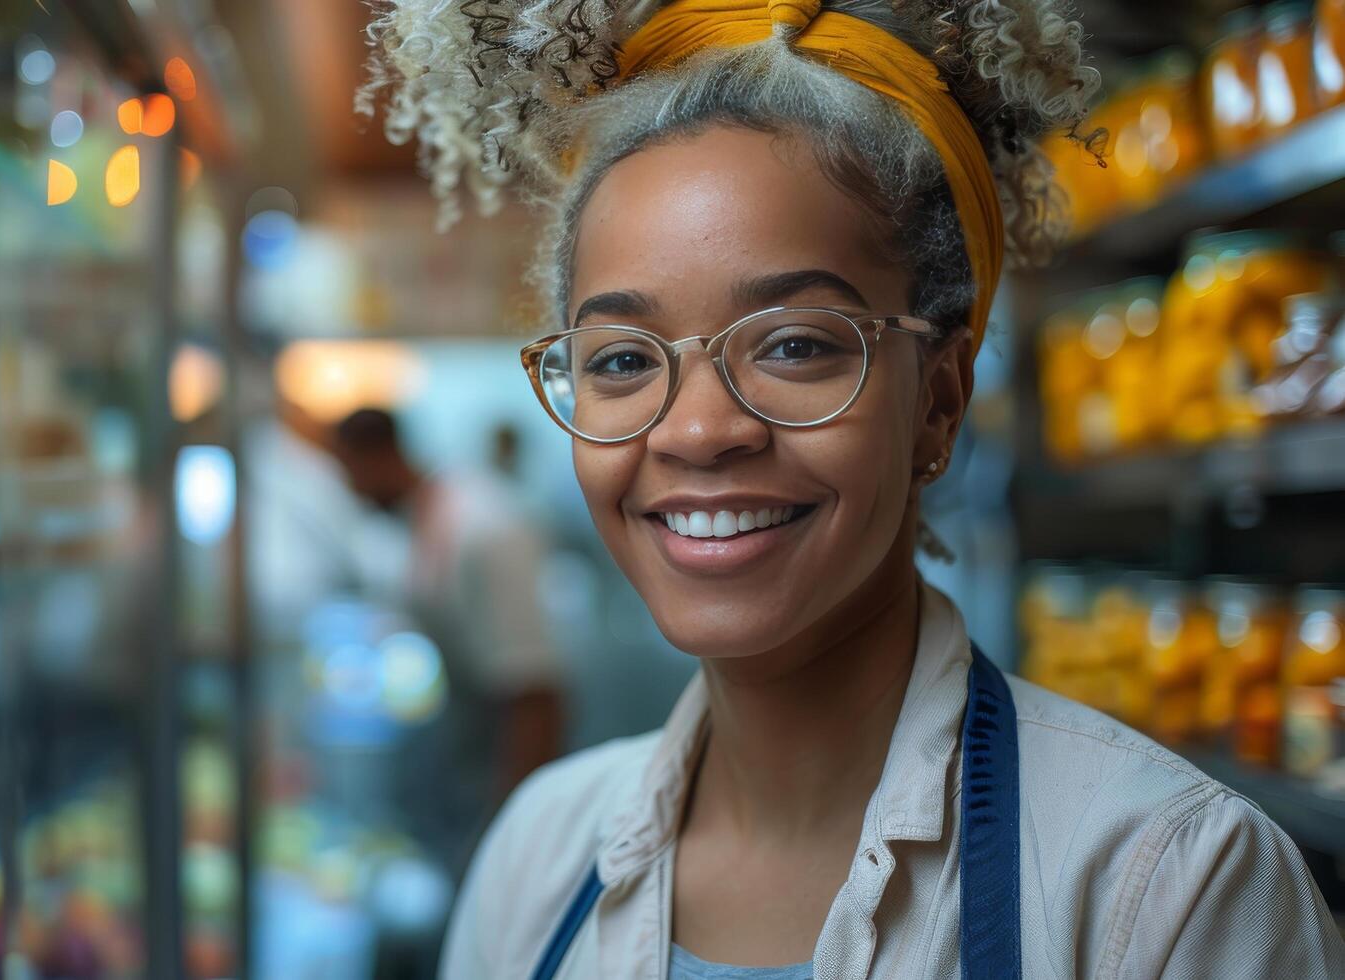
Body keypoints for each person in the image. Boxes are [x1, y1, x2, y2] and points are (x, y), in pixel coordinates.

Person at [360, 1, 1345, 978]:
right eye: (621, 359)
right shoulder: (535, 856)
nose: (698, 430)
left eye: (795, 344)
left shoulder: (1172, 886)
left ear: (939, 402)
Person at [333, 407, 566, 866]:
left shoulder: (484, 527)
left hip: (507, 753)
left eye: (348, 472)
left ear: (376, 457)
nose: (350, 490)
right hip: (471, 744)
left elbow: (535, 692)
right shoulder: (426, 514)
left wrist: (512, 833)